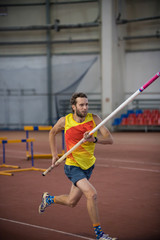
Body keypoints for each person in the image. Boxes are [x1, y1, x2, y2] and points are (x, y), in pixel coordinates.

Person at [39, 92, 117, 240]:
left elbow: (110, 139)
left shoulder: (94, 119)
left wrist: (94, 140)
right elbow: (52, 133)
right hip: (72, 165)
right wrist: (54, 154)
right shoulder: (65, 120)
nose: (85, 107)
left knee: (71, 202)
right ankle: (100, 235)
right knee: (91, 194)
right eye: (81, 105)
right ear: (74, 107)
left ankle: (48, 199)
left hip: (88, 166)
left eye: (86, 104)